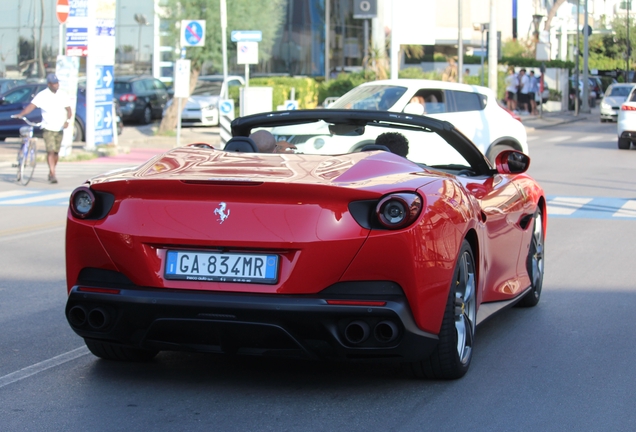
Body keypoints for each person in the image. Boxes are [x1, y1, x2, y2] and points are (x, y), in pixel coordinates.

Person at [14, 73, 72, 184]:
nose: (56, 85)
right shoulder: (42, 95)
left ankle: (52, 170)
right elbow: (31, 106)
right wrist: (21, 114)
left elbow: (69, 110)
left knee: (56, 152)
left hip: (59, 127)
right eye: (54, 83)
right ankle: (52, 173)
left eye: (57, 83)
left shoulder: (62, 95)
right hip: (48, 127)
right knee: (50, 151)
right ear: (49, 84)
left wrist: (67, 121)